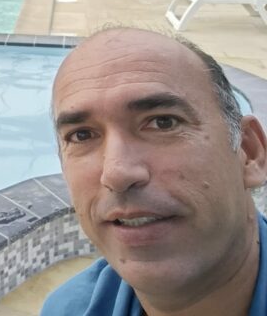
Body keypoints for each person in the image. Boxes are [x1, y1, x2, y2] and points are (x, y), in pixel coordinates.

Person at [43, 28, 267, 315]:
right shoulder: (69, 309)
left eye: (163, 122)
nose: (117, 173)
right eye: (82, 135)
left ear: (249, 152)